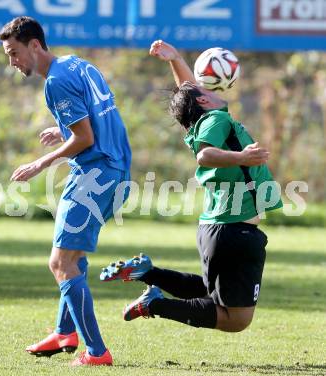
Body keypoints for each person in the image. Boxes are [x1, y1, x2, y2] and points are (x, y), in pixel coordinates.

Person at [100, 40, 282, 335]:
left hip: (223, 228)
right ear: (204, 102)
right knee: (236, 320)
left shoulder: (203, 118)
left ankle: (148, 273)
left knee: (214, 293)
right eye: (201, 91)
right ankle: (154, 304)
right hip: (233, 230)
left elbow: (188, 92)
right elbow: (205, 155)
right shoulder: (215, 119)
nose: (199, 88)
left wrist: (175, 59)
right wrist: (243, 156)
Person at [0, 16, 131, 366]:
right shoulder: (75, 64)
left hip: (94, 173)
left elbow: (84, 137)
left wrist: (40, 163)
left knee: (60, 261)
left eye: (13, 53)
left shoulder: (54, 82)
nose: (12, 62)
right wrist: (62, 130)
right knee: (75, 257)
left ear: (35, 45)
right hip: (115, 167)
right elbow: (96, 116)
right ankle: (64, 332)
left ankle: (97, 352)